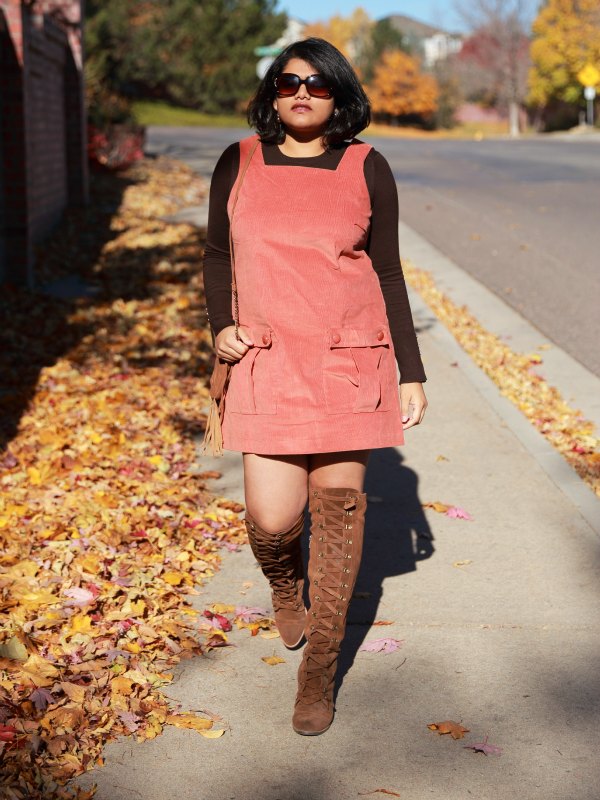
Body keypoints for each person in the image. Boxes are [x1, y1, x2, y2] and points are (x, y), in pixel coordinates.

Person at [202, 37, 427, 736]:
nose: (302, 93)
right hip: (266, 362)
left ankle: (318, 675)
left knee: (336, 519)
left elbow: (387, 271)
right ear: (272, 92)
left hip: (345, 363)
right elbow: (217, 252)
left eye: (319, 84)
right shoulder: (237, 161)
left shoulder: (368, 166)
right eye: (289, 81)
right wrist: (219, 328)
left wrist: (411, 371)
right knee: (273, 521)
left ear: (340, 95)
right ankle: (281, 582)